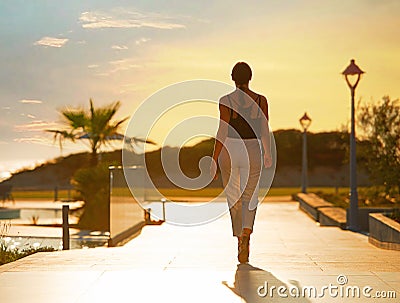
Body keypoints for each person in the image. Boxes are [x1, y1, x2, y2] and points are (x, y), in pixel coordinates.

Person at [211, 62, 272, 263]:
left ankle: (239, 237)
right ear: (250, 77)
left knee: (234, 196)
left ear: (232, 77)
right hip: (253, 148)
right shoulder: (261, 100)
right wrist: (268, 153)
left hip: (230, 149)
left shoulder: (225, 100)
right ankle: (246, 233)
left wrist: (214, 158)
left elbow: (222, 130)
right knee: (250, 196)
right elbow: (264, 128)